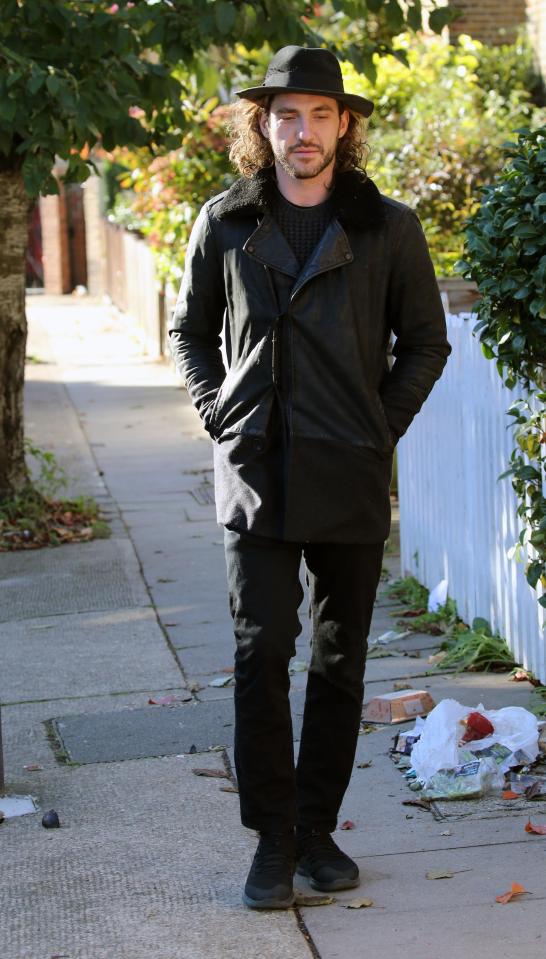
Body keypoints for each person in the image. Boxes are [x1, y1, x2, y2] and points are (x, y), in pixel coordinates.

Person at [168, 45, 451, 910]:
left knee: (339, 662)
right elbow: (189, 333)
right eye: (287, 114)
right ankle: (273, 839)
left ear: (345, 125)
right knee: (262, 656)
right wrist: (220, 414)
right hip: (256, 468)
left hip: (350, 472)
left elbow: (426, 343)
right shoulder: (224, 221)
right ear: (264, 124)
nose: (304, 130)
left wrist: (378, 427)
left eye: (321, 114)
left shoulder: (388, 228)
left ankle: (319, 830)